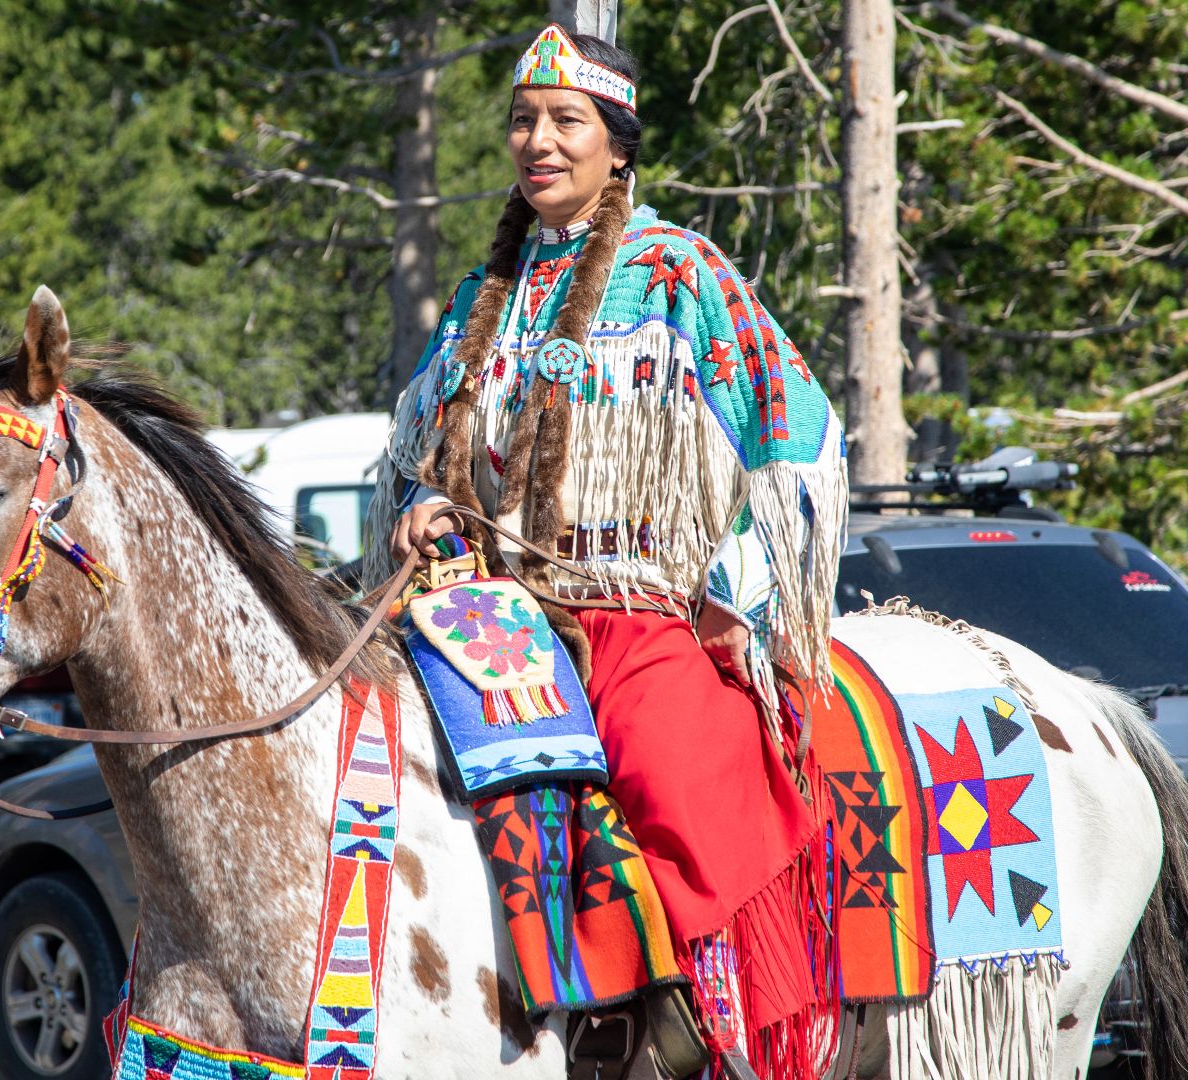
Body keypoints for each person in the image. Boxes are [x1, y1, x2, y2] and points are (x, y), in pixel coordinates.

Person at [368, 25, 847, 1080]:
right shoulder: (481, 298)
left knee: (670, 766)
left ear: (617, 144)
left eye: (566, 121)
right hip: (491, 614)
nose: (538, 141)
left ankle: (702, 1017)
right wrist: (424, 501)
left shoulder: (677, 272)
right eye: (523, 121)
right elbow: (413, 453)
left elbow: (799, 434)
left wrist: (738, 592)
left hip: (630, 607)